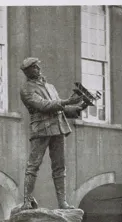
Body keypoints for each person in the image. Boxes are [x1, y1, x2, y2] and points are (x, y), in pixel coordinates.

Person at [20, 57, 85, 210]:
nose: (36, 69)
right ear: (28, 72)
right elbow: (43, 105)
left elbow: (58, 108)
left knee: (60, 167)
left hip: (58, 128)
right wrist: (67, 102)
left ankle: (62, 202)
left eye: (36, 67)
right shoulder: (27, 89)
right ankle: (27, 200)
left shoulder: (50, 87)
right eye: (32, 68)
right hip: (41, 129)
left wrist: (79, 106)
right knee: (33, 165)